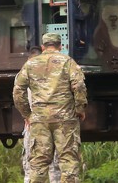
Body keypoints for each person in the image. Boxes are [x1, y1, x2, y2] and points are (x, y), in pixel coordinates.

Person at [13, 33, 87, 183]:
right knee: (68, 161)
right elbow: (79, 86)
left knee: (39, 162)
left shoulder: (30, 64)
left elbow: (17, 92)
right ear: (61, 46)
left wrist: (27, 114)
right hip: (65, 119)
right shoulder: (68, 62)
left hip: (39, 120)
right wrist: (79, 109)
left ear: (43, 47)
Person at [22, 46, 61, 183]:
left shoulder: (26, 74)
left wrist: (27, 115)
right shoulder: (56, 73)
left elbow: (18, 97)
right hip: (55, 123)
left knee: (32, 165)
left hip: (35, 125)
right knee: (54, 166)